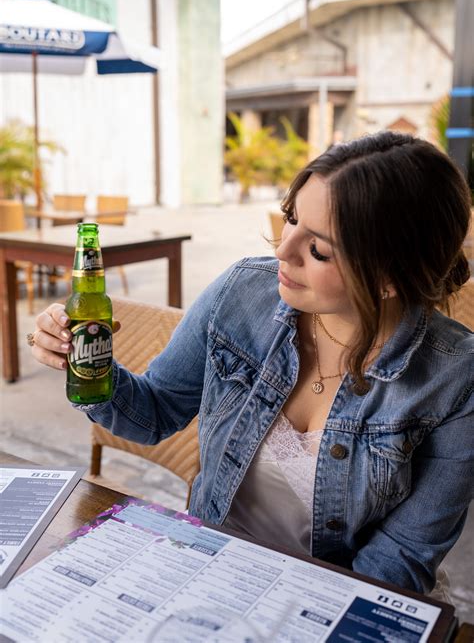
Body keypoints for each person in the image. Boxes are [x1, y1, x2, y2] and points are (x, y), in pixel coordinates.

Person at [31, 131, 473, 597]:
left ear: (389, 279)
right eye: (292, 219)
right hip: (210, 569)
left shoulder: (454, 379)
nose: (283, 250)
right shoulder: (242, 292)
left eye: (319, 249)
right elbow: (156, 411)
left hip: (338, 597)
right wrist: (86, 368)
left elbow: (401, 555)